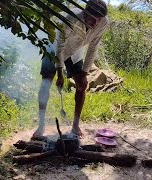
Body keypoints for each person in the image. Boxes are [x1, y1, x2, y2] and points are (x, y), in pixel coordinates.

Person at [33, 0, 109, 138]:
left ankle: (75, 125)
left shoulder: (103, 22)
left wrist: (84, 74)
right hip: (54, 49)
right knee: (46, 83)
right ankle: (41, 125)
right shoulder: (69, 18)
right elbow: (60, 46)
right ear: (85, 13)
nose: (96, 24)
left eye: (99, 20)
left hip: (75, 52)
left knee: (81, 85)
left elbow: (93, 48)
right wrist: (60, 73)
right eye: (93, 19)